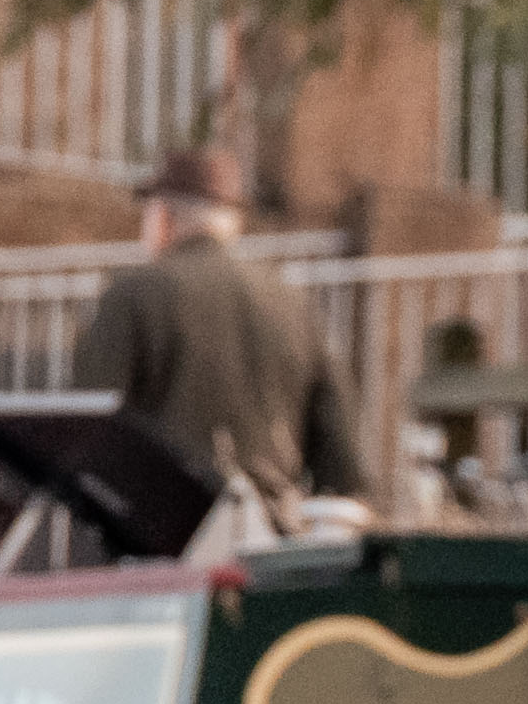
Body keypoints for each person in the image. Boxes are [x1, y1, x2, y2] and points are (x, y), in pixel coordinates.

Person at [70, 144, 363, 520]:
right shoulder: (292, 303)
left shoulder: (132, 295)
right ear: (234, 223)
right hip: (268, 543)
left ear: (162, 218)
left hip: (164, 535)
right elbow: (341, 457)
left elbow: (87, 425)